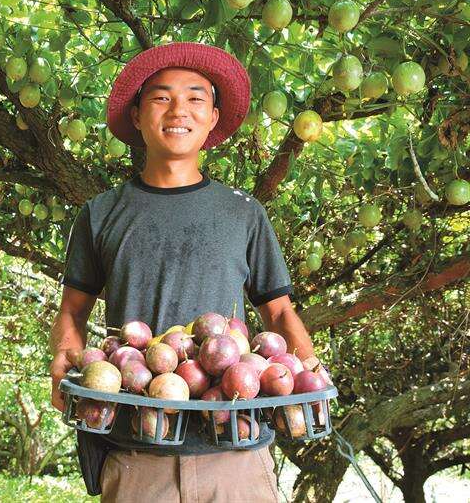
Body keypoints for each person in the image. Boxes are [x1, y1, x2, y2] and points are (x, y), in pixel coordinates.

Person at [49, 42, 331, 502]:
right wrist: (64, 359)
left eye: (196, 98)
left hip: (234, 449)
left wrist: (307, 375)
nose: (178, 109)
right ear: (138, 115)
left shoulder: (244, 213)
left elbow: (278, 313)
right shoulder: (100, 214)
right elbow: (72, 311)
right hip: (137, 450)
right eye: (161, 97)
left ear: (214, 118)